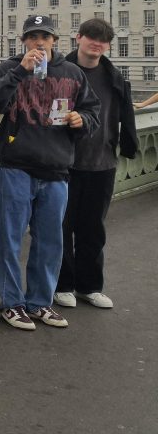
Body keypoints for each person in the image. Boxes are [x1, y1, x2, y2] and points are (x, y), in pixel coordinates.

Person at [0, 15, 100, 331]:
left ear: (54, 41)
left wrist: (82, 120)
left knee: (50, 241)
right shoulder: (10, 68)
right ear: (23, 42)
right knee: (10, 240)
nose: (38, 43)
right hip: (17, 166)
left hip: (57, 168)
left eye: (44, 37)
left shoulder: (72, 73)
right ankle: (11, 303)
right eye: (32, 37)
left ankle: (39, 302)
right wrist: (20, 71)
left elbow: (93, 111)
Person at [55, 18, 138, 309]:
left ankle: (89, 286)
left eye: (103, 40)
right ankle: (63, 284)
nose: (97, 43)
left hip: (102, 162)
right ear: (78, 37)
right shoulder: (61, 72)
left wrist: (128, 146)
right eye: (92, 37)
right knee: (62, 228)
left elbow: (125, 114)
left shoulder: (114, 76)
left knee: (93, 228)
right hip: (65, 163)